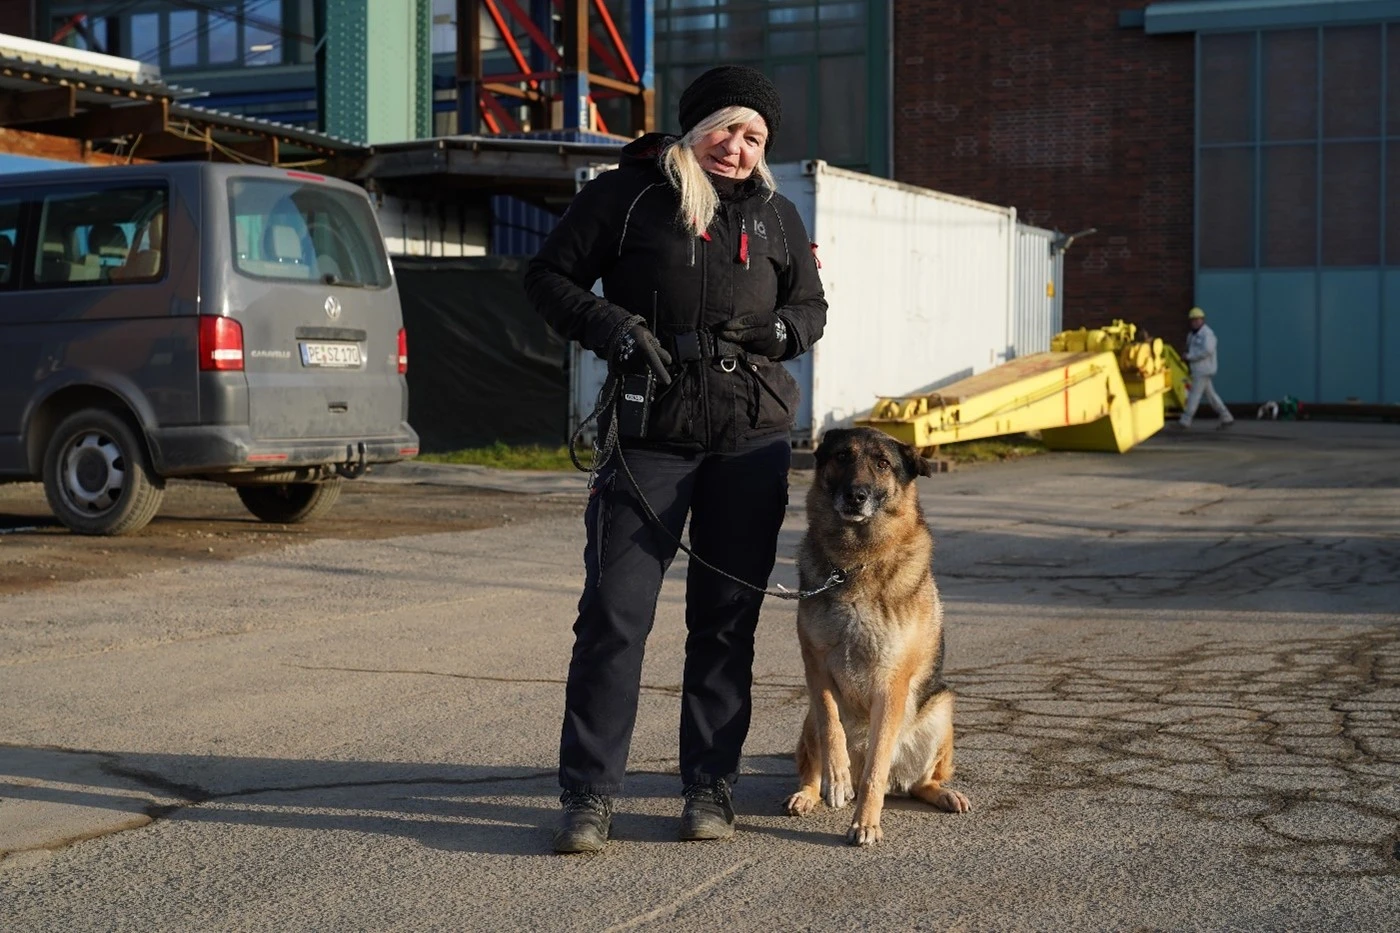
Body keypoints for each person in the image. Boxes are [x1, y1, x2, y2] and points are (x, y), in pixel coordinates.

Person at [524, 65, 827, 853]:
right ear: (695, 129)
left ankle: (709, 787)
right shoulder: (625, 199)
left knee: (725, 623)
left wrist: (783, 334)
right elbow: (547, 275)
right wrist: (612, 325)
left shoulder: (777, 216)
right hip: (648, 438)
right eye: (727, 129)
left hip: (750, 440)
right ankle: (589, 795)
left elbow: (811, 306)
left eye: (754, 137)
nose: (738, 147)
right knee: (614, 619)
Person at [1177, 306, 1234, 430]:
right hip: (1198, 370)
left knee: (1194, 395)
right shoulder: (1192, 335)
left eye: (1198, 320)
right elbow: (1191, 348)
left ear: (1202, 320)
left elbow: (1207, 350)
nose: (1195, 322)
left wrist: (1190, 356)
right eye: (1193, 320)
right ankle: (1226, 416)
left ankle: (1185, 421)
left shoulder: (1207, 334)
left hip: (1203, 370)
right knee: (1211, 396)